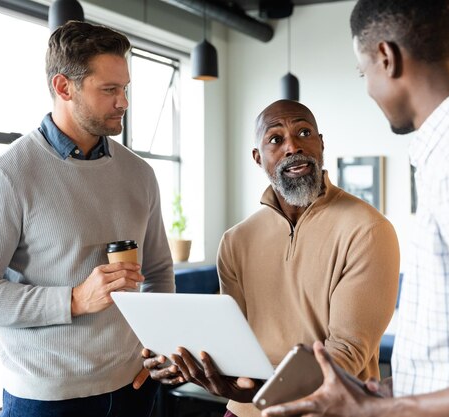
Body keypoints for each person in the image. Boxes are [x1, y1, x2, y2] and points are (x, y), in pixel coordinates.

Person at [261, 1, 449, 417]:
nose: (368, 88)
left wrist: (374, 411)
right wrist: (394, 391)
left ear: (386, 58)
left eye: (362, 71)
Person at [0, 21, 174, 417]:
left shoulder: (140, 174)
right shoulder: (8, 175)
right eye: (109, 90)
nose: (124, 102)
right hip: (46, 401)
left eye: (125, 89)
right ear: (64, 87)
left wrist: (159, 347)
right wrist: (73, 299)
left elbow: (158, 271)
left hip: (135, 388)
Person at [143, 99, 401, 417]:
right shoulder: (236, 240)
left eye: (304, 132)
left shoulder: (368, 229)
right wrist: (186, 362)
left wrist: (264, 390)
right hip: (246, 409)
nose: (293, 146)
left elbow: (346, 353)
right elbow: (232, 340)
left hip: (328, 410)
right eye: (275, 139)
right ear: (258, 157)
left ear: (321, 143)